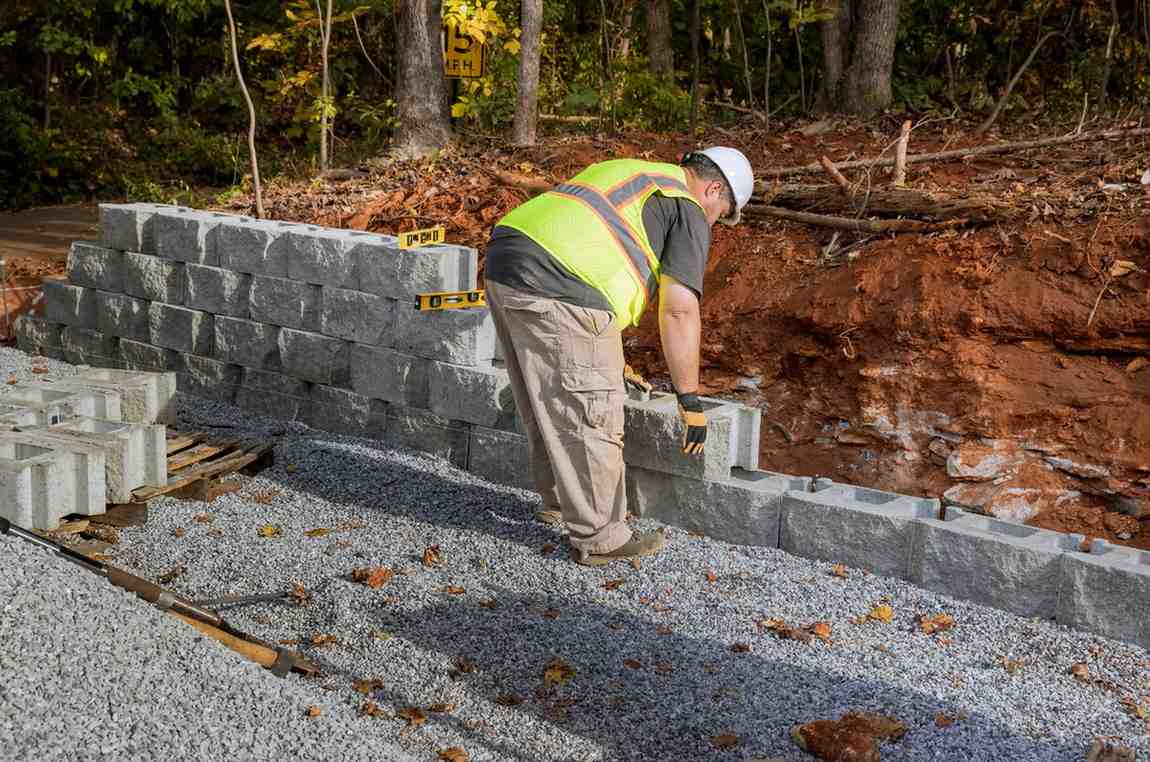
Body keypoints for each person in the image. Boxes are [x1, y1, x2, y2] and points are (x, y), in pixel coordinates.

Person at [483, 147, 754, 566]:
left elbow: (592, 239)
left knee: (547, 395)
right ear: (714, 187)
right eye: (722, 211)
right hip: (562, 284)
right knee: (592, 412)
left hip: (507, 260)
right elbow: (679, 308)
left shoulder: (635, 171)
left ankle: (559, 503)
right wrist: (689, 398)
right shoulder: (687, 206)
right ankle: (601, 537)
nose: (715, 220)